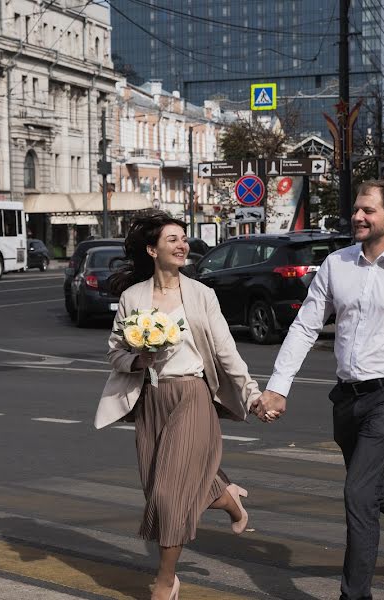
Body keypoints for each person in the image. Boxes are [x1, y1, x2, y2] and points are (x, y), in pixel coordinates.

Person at [254, 180, 384, 600]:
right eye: (356, 209)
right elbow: (307, 325)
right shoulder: (336, 264)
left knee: (358, 493)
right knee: (367, 483)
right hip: (346, 397)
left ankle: (355, 595)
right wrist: (278, 387)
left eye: (367, 210)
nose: (357, 217)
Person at [95, 211, 268, 600]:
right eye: (172, 239)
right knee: (157, 486)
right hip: (152, 400)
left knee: (169, 497)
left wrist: (252, 393)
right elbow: (115, 353)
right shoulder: (132, 298)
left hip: (192, 396)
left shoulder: (201, 295)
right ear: (153, 249)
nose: (182, 245)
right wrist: (138, 359)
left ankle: (164, 582)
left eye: (184, 239)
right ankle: (227, 497)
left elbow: (226, 352)